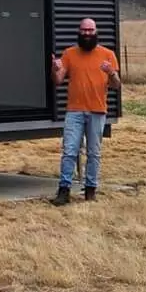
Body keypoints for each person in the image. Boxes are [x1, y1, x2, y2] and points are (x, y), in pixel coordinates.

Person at [49, 17, 120, 205]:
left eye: (90, 30)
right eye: (84, 30)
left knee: (93, 152)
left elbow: (116, 85)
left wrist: (111, 73)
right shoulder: (69, 54)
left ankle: (90, 190)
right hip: (74, 111)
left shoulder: (107, 55)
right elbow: (57, 80)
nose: (87, 33)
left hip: (97, 111)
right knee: (70, 150)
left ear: (96, 32)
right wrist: (54, 68)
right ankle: (64, 190)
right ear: (79, 32)